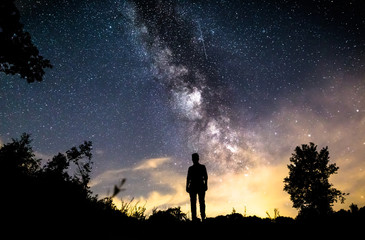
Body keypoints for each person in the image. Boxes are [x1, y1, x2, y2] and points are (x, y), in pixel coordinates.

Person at [186, 153, 208, 221]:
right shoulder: (191, 168)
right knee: (194, 203)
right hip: (194, 186)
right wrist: (187, 186)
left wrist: (206, 185)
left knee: (201, 202)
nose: (194, 159)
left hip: (199, 185)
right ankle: (195, 217)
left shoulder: (202, 167)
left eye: (195, 158)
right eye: (193, 158)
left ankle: (202, 217)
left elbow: (206, 177)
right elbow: (188, 178)